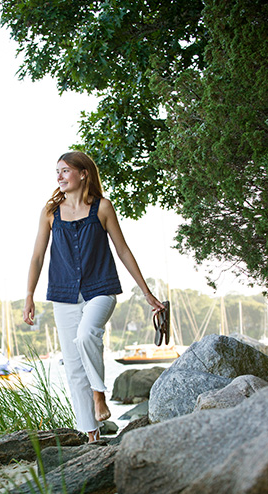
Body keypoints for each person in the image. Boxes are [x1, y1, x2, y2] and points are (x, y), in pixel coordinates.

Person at [22, 151, 164, 443]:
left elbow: (123, 250)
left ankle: (100, 395)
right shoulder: (50, 213)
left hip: (101, 289)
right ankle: (92, 436)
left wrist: (147, 292)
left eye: (65, 171)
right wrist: (29, 295)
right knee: (73, 367)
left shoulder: (103, 208)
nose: (59, 177)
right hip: (63, 295)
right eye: (57, 172)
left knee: (87, 335)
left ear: (83, 173)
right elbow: (37, 256)